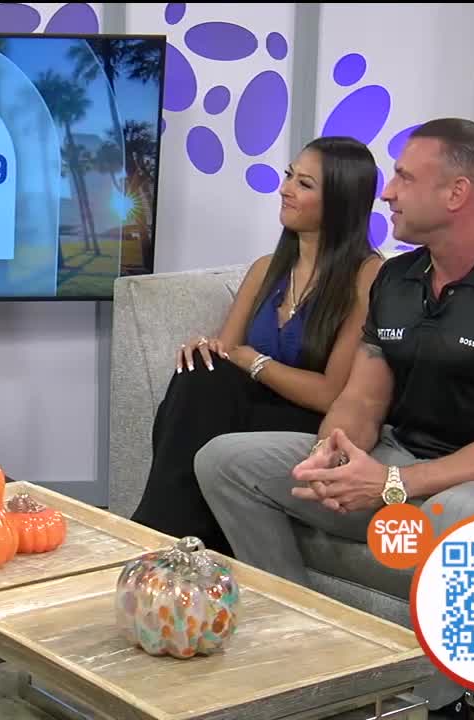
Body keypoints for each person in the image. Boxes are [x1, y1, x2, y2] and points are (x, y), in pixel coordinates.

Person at [193, 118, 474, 716]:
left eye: (404, 178)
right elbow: (362, 400)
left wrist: (392, 483)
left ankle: (426, 705)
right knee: (225, 461)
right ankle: (304, 646)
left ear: (456, 193)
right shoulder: (397, 278)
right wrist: (336, 452)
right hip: (402, 462)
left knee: (454, 514)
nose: (387, 193)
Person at [129, 136, 384, 554]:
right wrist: (204, 348)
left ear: (341, 200)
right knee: (200, 373)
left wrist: (256, 362)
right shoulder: (266, 269)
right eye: (289, 176)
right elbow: (227, 353)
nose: (285, 189)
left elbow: (331, 393)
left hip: (309, 423)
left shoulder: (367, 275)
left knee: (209, 392)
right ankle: (173, 537)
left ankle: (155, 538)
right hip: (245, 410)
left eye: (304, 184)